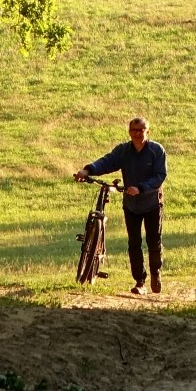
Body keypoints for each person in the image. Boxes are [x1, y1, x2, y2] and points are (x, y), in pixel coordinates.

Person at [75, 116, 167, 294]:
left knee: (153, 242)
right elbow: (108, 161)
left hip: (152, 203)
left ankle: (156, 273)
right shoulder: (124, 151)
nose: (137, 133)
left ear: (148, 131)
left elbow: (160, 176)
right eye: (134, 130)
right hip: (131, 205)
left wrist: (141, 188)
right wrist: (88, 170)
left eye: (141, 130)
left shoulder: (156, 150)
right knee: (134, 243)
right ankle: (139, 281)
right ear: (129, 132)